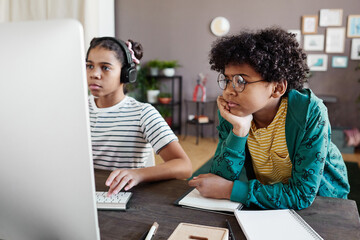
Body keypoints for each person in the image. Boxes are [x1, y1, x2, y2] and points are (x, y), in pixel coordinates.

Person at [188, 27, 350, 210]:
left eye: (241, 81)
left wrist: (230, 190)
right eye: (227, 80)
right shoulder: (234, 111)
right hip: (271, 196)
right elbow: (220, 177)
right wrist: (239, 131)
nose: (228, 91)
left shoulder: (309, 112)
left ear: (277, 88)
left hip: (324, 201)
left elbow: (303, 194)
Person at [86, 37, 192, 196]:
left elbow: (184, 166)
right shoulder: (78, 108)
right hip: (83, 194)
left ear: (126, 74)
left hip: (120, 197)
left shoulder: (143, 113)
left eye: (105, 68)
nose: (94, 74)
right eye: (89, 66)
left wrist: (138, 174)